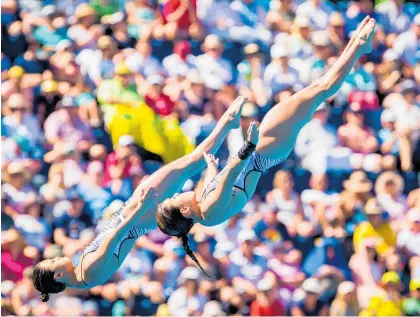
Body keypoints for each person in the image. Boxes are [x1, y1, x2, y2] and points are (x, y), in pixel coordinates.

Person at [156, 17, 377, 269]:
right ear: (184, 211)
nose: (176, 194)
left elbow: (216, 178)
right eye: (173, 199)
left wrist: (210, 164)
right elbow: (233, 174)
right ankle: (358, 47)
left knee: (316, 91)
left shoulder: (201, 203)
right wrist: (247, 145)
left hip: (260, 151)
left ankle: (358, 46)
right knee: (320, 90)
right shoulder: (209, 212)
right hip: (263, 151)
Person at [31, 97, 246, 299]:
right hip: (137, 216)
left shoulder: (84, 275)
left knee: (188, 166)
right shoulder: (86, 270)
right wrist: (141, 207)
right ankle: (228, 124)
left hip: (136, 216)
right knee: (189, 164)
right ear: (57, 275)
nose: (56, 257)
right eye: (52, 261)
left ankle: (229, 129)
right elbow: (118, 234)